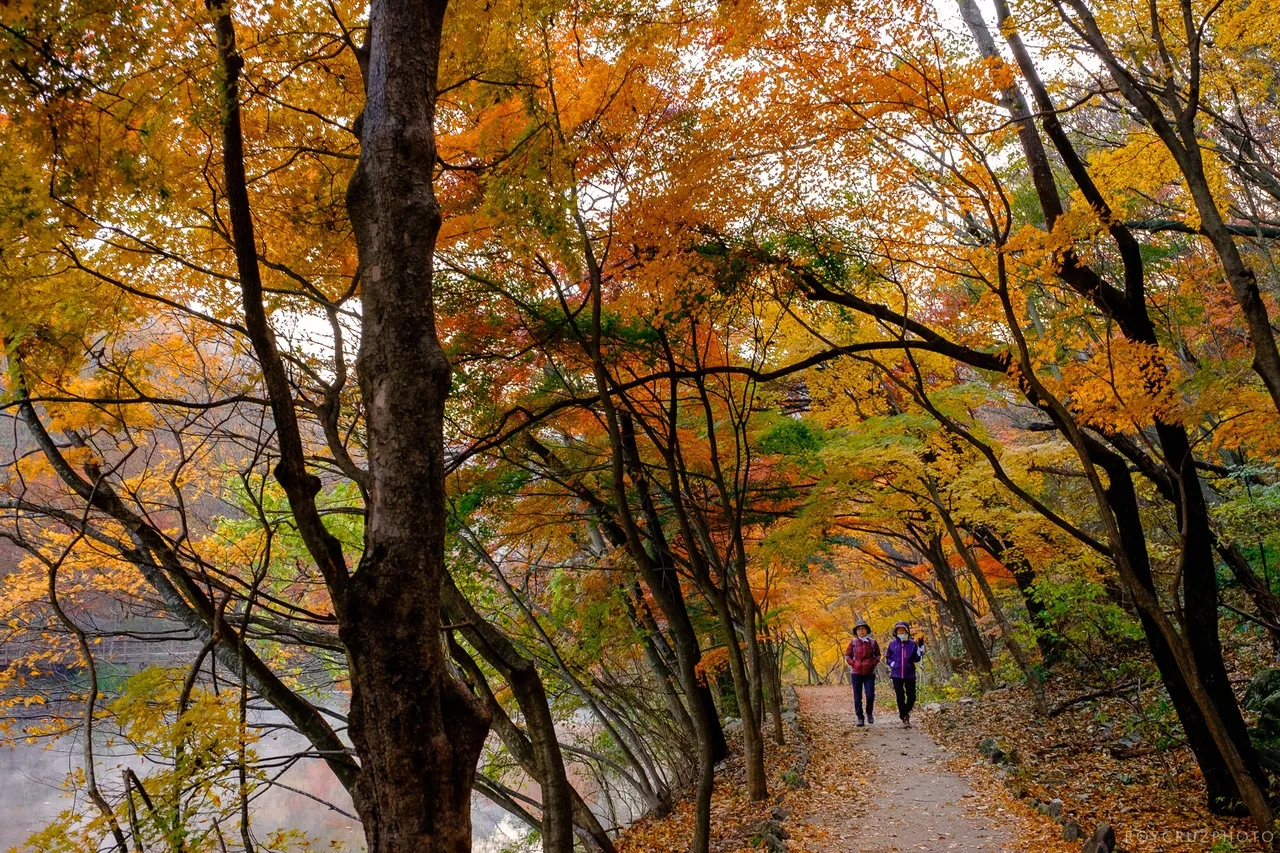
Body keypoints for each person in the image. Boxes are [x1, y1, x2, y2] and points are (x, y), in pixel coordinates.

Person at [886, 620, 925, 727]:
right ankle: (904, 716)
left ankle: (904, 712)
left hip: (909, 673)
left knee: (911, 696)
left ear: (907, 631)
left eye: (903, 630)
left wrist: (921, 647)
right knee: (900, 697)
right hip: (896, 674)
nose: (901, 632)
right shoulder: (892, 644)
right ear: (896, 632)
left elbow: (917, 658)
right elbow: (888, 657)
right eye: (899, 630)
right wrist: (893, 664)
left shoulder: (912, 644)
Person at [844, 618, 881, 726]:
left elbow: (878, 655)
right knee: (857, 696)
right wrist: (854, 664)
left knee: (870, 695)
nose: (861, 631)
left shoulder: (873, 642)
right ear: (856, 631)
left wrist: (872, 663)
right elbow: (847, 655)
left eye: (863, 629)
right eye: (859, 629)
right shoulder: (853, 643)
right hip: (856, 673)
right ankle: (860, 717)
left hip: (869, 673)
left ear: (867, 630)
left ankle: (869, 712)